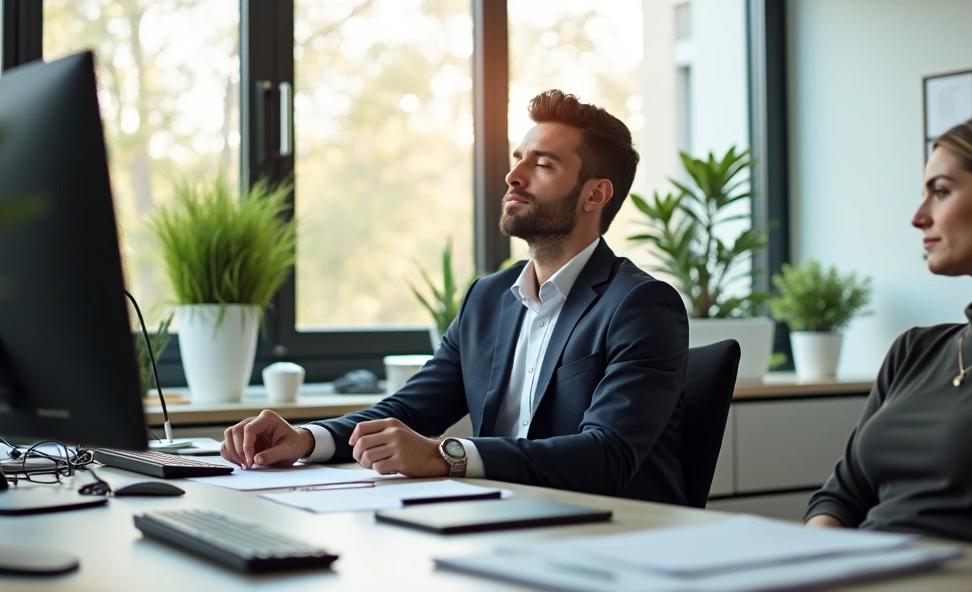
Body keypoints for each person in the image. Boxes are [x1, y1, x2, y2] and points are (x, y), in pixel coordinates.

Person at [220, 89, 690, 503]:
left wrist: (448, 456)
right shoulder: (487, 300)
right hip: (501, 520)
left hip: (608, 535)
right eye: (518, 158)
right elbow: (407, 411)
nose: (514, 175)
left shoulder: (641, 305)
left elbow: (607, 455)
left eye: (542, 164)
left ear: (595, 195)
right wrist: (305, 439)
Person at [805, 111, 972, 550]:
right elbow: (839, 499)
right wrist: (809, 565)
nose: (918, 217)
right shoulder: (915, 350)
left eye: (940, 192)